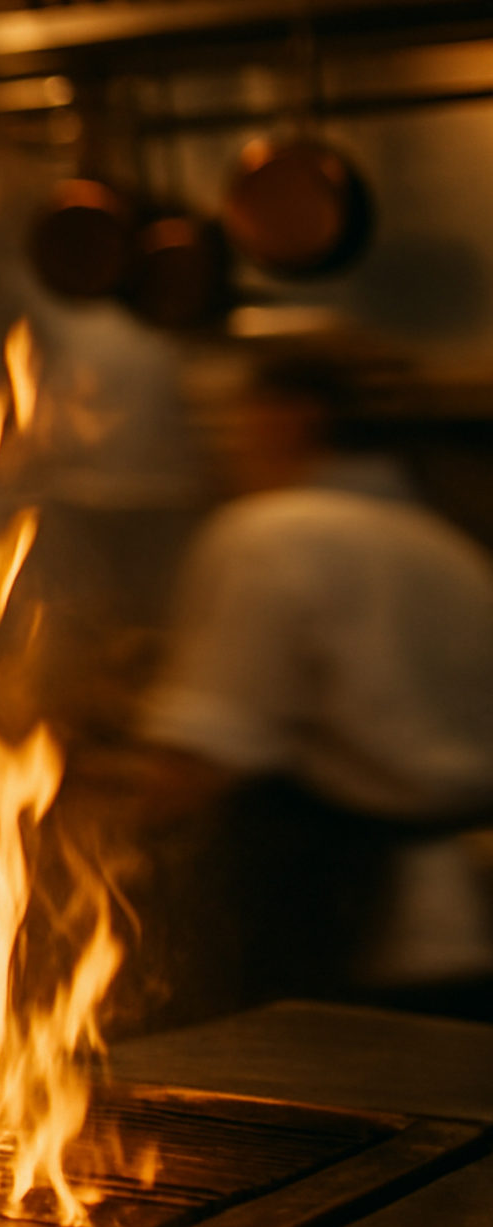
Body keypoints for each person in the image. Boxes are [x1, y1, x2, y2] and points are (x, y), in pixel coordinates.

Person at [139, 350, 493, 1016]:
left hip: (348, 930)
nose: (226, 435)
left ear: (291, 418)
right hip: (467, 931)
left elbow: (198, 762)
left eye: (237, 412)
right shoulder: (453, 548)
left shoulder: (272, 535)